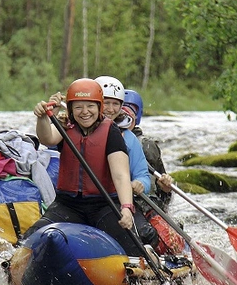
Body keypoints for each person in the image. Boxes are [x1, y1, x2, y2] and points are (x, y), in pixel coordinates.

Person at [21, 78, 144, 256]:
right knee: (30, 239)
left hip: (104, 205)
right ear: (70, 109)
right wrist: (43, 118)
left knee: (132, 246)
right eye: (78, 107)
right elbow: (47, 139)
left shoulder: (112, 132)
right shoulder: (65, 127)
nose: (85, 112)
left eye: (90, 106)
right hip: (68, 204)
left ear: (99, 107)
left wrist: (126, 207)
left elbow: (121, 175)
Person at [94, 75, 158, 249]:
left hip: (116, 200)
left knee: (147, 235)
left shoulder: (128, 138)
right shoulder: (74, 132)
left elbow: (143, 176)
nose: (110, 108)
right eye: (106, 102)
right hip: (83, 201)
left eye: (116, 104)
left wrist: (139, 184)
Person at [123, 88, 187, 255]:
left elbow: (162, 199)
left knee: (149, 234)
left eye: (129, 111)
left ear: (136, 117)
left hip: (144, 206)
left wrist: (165, 189)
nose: (122, 115)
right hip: (116, 203)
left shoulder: (147, 146)